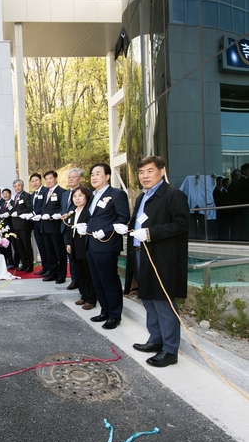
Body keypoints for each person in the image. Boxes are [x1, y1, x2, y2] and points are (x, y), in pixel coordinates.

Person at [123, 156, 190, 368]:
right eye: (141, 172)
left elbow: (181, 224)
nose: (145, 176)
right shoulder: (142, 197)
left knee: (163, 301)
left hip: (162, 257)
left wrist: (151, 233)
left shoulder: (173, 195)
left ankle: (170, 350)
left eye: (150, 171)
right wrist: (127, 228)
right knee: (148, 298)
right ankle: (156, 339)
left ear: (161, 171)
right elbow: (140, 221)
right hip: (141, 253)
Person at [78, 163, 130, 330]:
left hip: (106, 244)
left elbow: (123, 218)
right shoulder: (93, 196)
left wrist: (106, 230)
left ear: (107, 176)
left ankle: (115, 315)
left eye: (98, 174)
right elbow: (95, 218)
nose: (94, 177)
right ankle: (105, 310)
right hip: (91, 244)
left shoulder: (116, 194)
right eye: (92, 174)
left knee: (109, 280)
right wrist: (86, 227)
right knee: (97, 280)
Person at [65, 186, 96, 310]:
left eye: (80, 195)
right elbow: (69, 228)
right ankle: (83, 295)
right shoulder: (73, 211)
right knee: (79, 272)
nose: (77, 198)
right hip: (73, 244)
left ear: (87, 197)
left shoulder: (89, 211)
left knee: (88, 272)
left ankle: (91, 298)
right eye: (74, 196)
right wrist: (68, 243)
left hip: (84, 244)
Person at [40, 171, 67, 283]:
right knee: (49, 251)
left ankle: (61, 275)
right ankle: (52, 272)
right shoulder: (46, 191)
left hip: (55, 226)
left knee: (59, 251)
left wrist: (55, 214)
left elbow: (62, 207)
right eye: (46, 179)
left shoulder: (62, 192)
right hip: (46, 226)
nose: (48, 181)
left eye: (50, 178)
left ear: (56, 178)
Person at [61, 168, 83, 290]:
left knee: (78, 256)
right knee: (70, 255)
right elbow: (62, 208)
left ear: (80, 178)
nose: (71, 179)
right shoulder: (65, 194)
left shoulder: (85, 192)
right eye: (69, 177)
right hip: (65, 228)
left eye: (73, 177)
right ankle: (74, 279)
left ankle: (81, 280)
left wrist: (69, 214)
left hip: (79, 228)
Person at [10, 179, 34, 272]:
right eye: (15, 186)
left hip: (24, 225)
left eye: (19, 186)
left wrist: (18, 212)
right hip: (16, 226)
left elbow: (29, 208)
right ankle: (24, 263)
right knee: (19, 246)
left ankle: (30, 265)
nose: (17, 188)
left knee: (26, 246)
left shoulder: (27, 195)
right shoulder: (15, 197)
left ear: (22, 186)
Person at [30, 173, 49, 276]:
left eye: (36, 180)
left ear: (40, 181)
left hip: (44, 223)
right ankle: (45, 267)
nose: (34, 183)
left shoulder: (46, 191)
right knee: (41, 247)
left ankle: (50, 267)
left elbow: (45, 206)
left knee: (47, 247)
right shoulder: (33, 194)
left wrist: (35, 213)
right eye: (32, 181)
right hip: (35, 224)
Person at [0, 188, 16, 268]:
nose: (5, 195)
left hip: (12, 228)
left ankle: (17, 262)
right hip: (4, 229)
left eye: (7, 193)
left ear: (10, 194)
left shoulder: (14, 203)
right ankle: (10, 262)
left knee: (15, 246)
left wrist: (9, 214)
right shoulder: (2, 204)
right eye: (4, 194)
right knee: (6, 246)